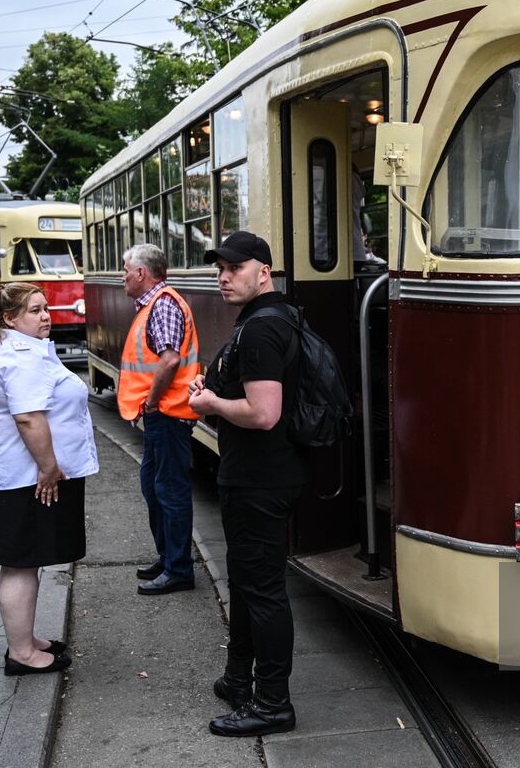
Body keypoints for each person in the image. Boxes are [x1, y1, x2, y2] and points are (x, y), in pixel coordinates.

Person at [189, 231, 305, 738]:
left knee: (263, 590)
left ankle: (273, 703)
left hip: (260, 479)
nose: (223, 277)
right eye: (220, 268)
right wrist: (215, 388)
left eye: (235, 268)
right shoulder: (273, 317)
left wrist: (210, 404)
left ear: (264, 272)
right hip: (260, 474)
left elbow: (263, 413)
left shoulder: (261, 329)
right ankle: (238, 679)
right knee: (245, 582)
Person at [0, 283, 97, 676]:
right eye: (35, 310)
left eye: (46, 308)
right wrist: (48, 468)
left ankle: (24, 640)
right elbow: (28, 417)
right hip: (26, 479)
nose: (46, 316)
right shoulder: (20, 356)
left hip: (20, 477)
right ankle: (21, 653)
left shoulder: (17, 348)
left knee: (26, 562)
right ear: (10, 318)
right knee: (21, 565)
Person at [119, 243, 201, 595]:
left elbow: (169, 360)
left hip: (168, 414)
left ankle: (179, 569)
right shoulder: (153, 304)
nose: (123, 277)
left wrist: (151, 402)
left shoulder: (163, 303)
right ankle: (169, 558)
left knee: (169, 491)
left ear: (141, 273)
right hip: (160, 415)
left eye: (126, 270)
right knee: (154, 487)